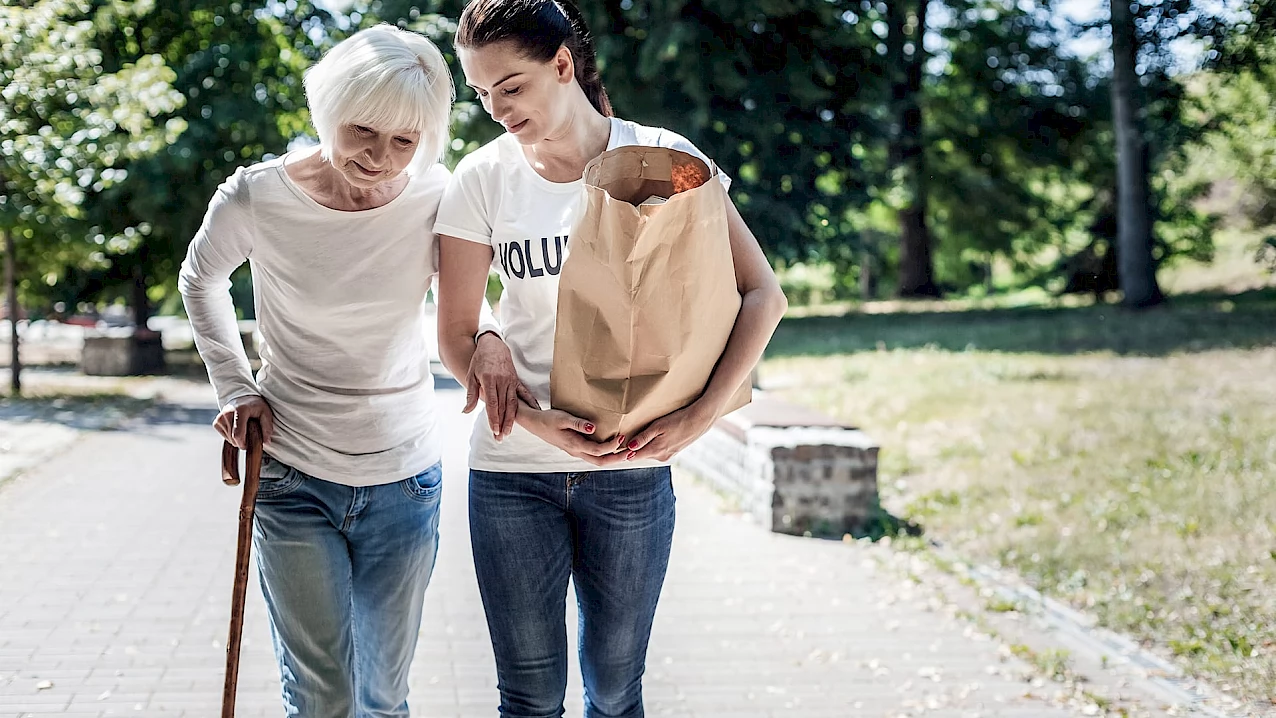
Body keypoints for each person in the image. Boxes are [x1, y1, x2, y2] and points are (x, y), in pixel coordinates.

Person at [434, 1, 789, 716]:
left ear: (562, 65)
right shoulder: (482, 178)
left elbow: (762, 296)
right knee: (528, 698)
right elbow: (456, 334)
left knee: (615, 691)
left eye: (511, 86)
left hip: (632, 475)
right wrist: (535, 419)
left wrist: (697, 419)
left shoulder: (661, 159)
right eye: (480, 93)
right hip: (511, 477)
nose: (496, 109)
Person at [178, 25, 519, 717]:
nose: (381, 157)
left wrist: (488, 337)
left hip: (405, 477)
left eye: (405, 142)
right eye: (364, 130)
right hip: (293, 473)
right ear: (329, 111)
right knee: (322, 696)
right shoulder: (258, 196)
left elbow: (465, 302)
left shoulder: (437, 196)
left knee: (383, 697)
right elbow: (200, 278)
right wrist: (235, 386)